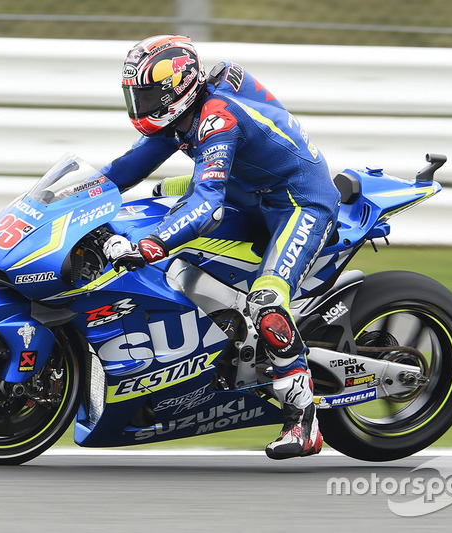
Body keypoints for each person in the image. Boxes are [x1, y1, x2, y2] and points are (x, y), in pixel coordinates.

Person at [100, 35, 341, 459]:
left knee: (267, 301)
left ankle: (304, 420)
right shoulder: (179, 119)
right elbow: (121, 172)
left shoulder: (217, 118)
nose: (139, 102)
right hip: (250, 193)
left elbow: (207, 205)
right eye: (135, 93)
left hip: (299, 203)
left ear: (177, 89)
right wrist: (74, 201)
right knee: (147, 203)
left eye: (148, 93)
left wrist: (153, 245)